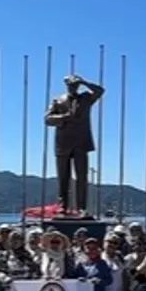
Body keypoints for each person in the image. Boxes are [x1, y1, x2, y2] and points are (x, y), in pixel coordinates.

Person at [44, 74, 105, 216]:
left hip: (81, 142)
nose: (73, 87)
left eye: (76, 85)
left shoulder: (85, 98)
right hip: (63, 142)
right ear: (66, 86)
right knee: (63, 177)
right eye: (71, 85)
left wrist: (85, 81)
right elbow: (47, 119)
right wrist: (64, 117)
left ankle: (81, 207)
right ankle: (62, 206)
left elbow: (100, 91)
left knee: (82, 176)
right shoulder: (57, 101)